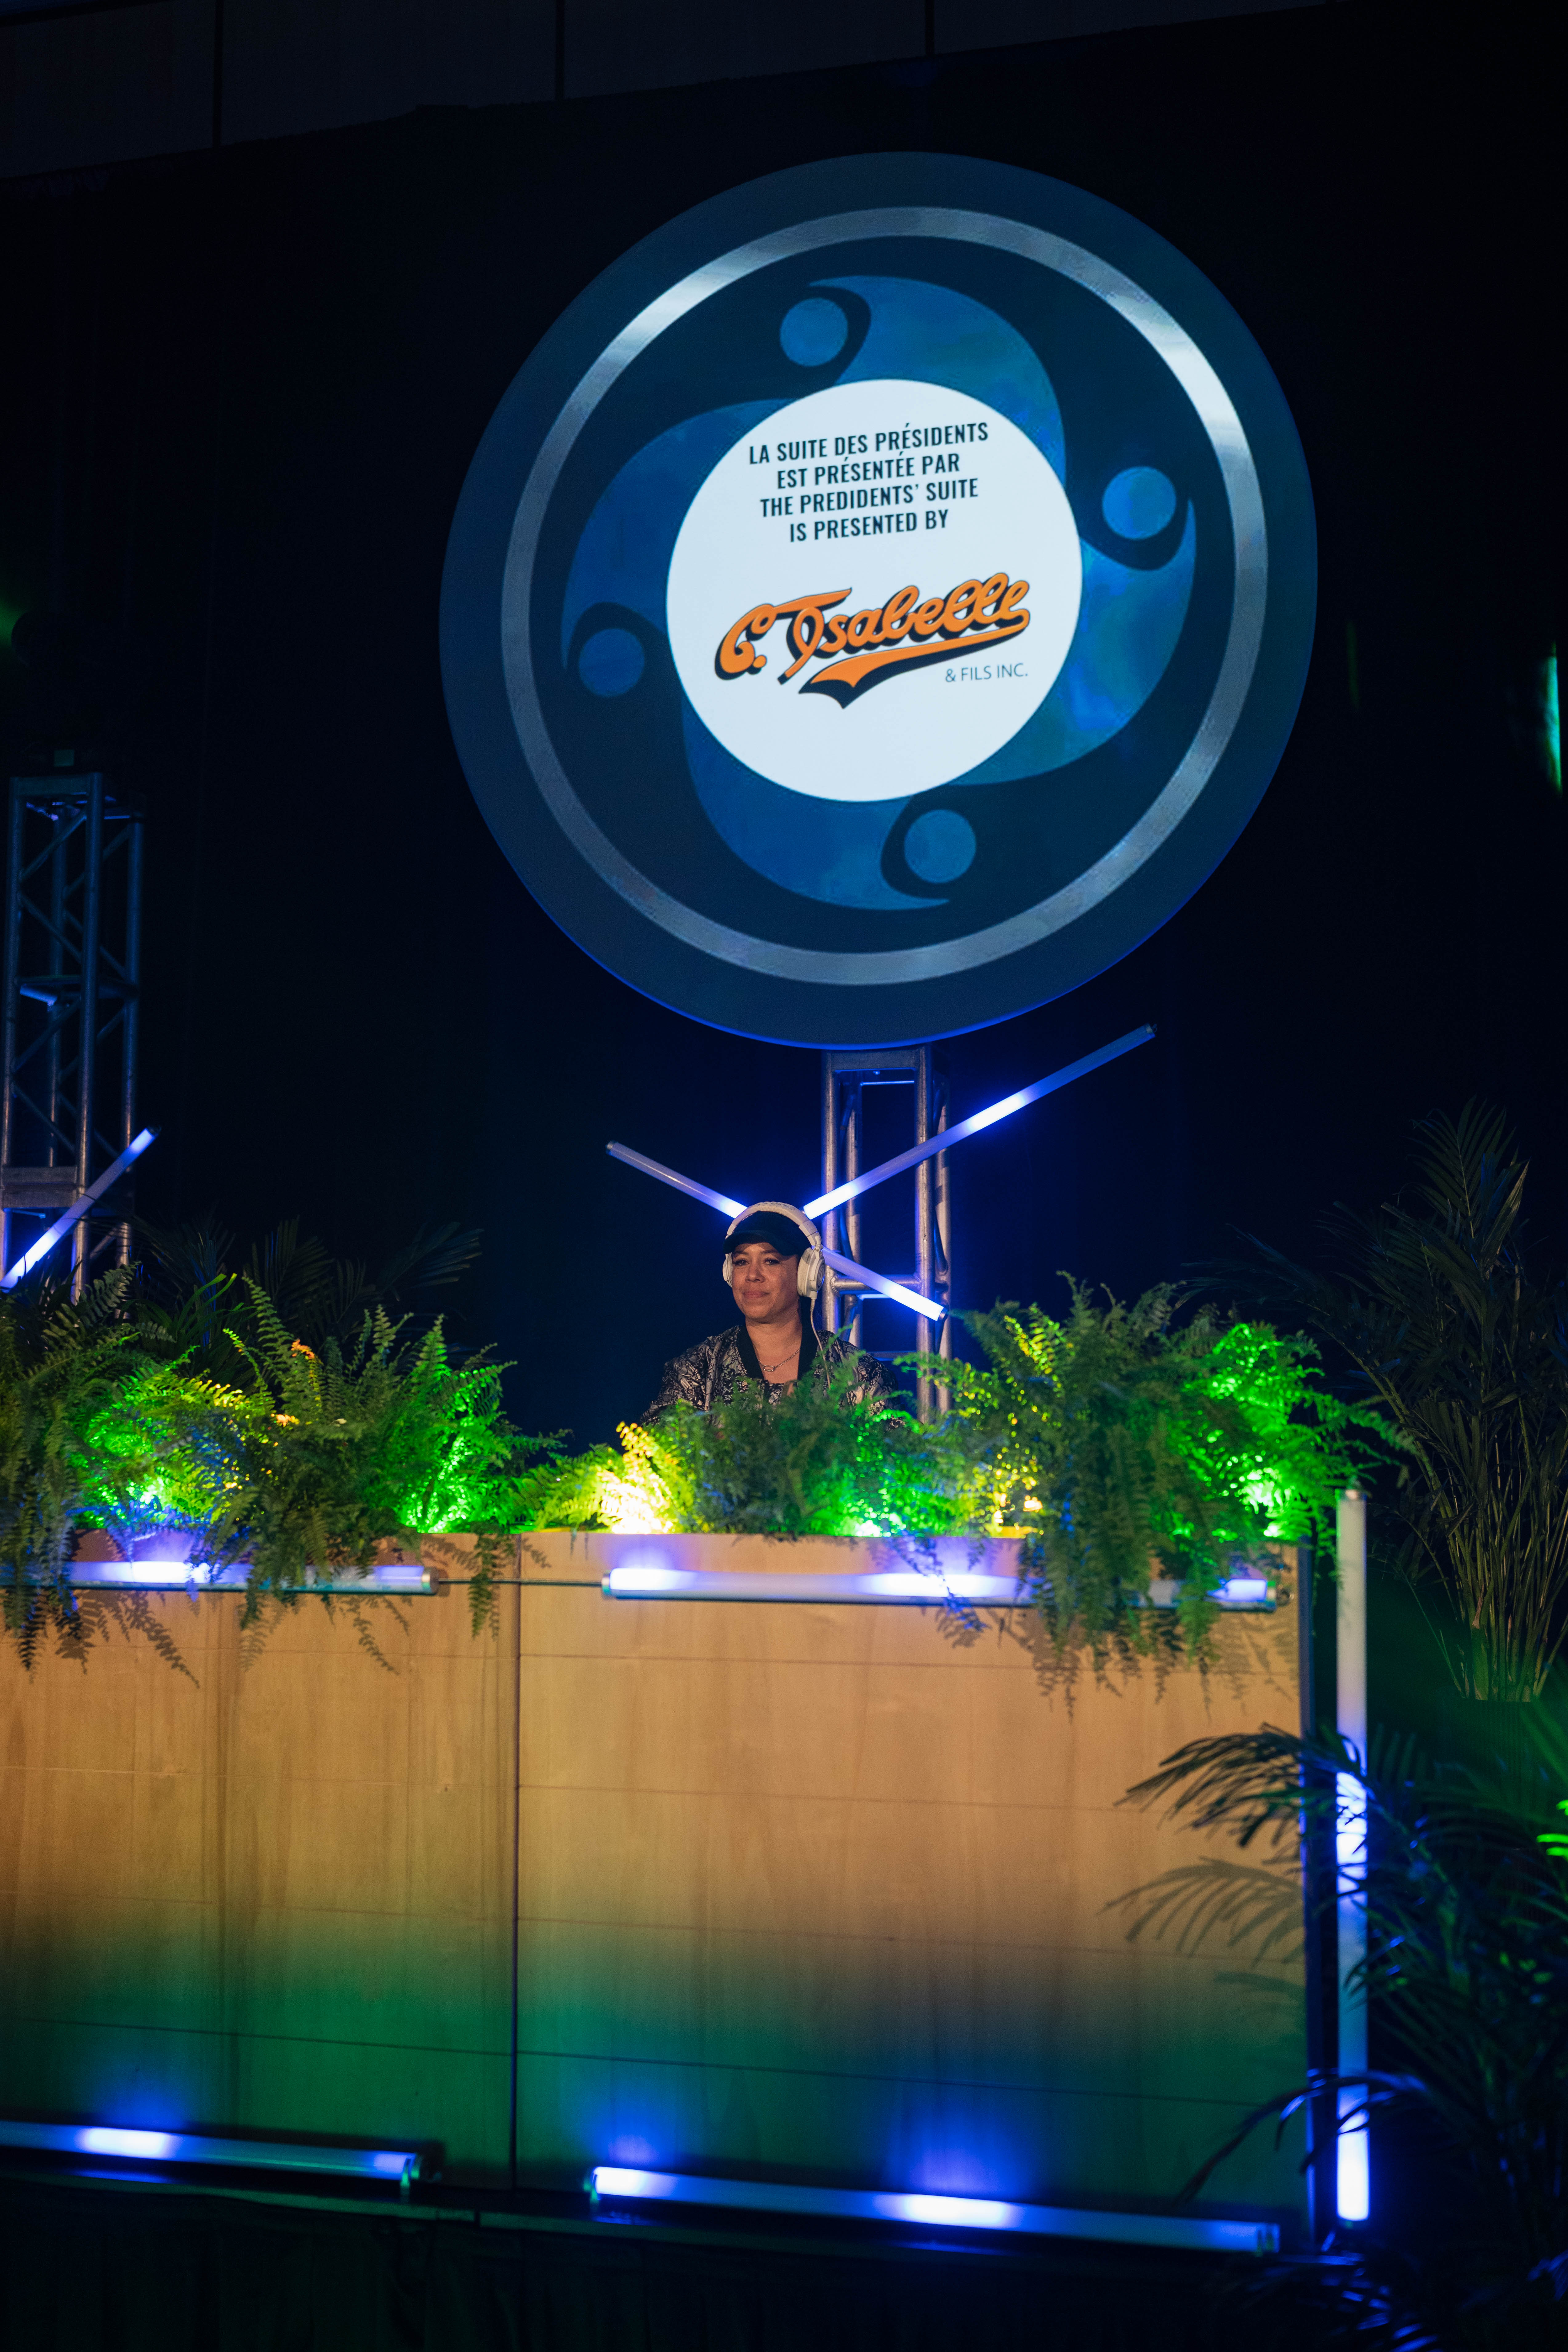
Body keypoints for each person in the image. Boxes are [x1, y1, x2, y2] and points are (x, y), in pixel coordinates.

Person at [642, 1200, 895, 1420]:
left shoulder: (859, 1374)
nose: (752, 1275)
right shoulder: (697, 1369)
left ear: (806, 1274)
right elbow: (654, 1452)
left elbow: (896, 1455)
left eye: (771, 1261)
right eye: (742, 1262)